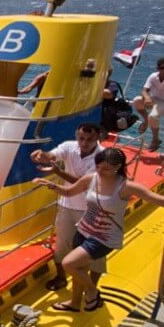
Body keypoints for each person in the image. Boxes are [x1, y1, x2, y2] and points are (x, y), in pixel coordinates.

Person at [34, 148, 164, 312]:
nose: (99, 171)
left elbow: (161, 200)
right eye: (97, 167)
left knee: (68, 263)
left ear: (117, 167)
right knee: (80, 271)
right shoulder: (92, 178)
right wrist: (49, 185)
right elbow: (68, 192)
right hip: (83, 230)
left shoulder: (126, 186)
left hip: (103, 238)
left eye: (105, 168)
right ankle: (74, 303)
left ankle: (93, 293)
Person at [29, 123, 106, 292]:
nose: (84, 143)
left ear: (97, 138)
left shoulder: (103, 157)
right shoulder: (69, 147)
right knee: (62, 244)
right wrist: (44, 155)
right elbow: (54, 154)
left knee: (93, 250)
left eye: (89, 139)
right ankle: (61, 277)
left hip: (92, 210)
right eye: (81, 138)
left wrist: (57, 172)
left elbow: (81, 184)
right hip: (67, 205)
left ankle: (91, 288)